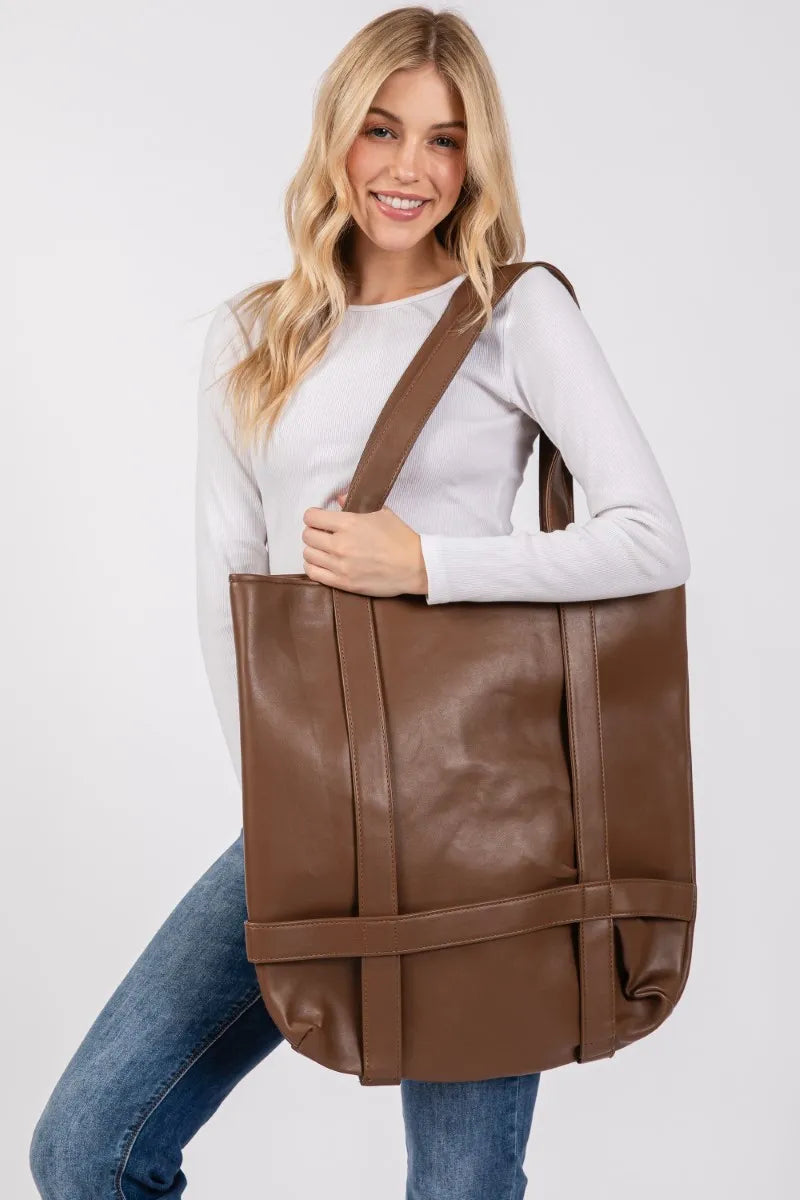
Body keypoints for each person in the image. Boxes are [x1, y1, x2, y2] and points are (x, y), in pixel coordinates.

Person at [28, 7, 691, 1199]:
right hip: (312, 810)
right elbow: (228, 590)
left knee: (457, 1190)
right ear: (335, 132)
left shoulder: (513, 312)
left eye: (444, 139)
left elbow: (649, 538)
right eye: (382, 129)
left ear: (475, 160)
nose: (408, 168)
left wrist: (424, 563)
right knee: (88, 1147)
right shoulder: (254, 335)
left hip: (481, 823)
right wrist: (278, 801)